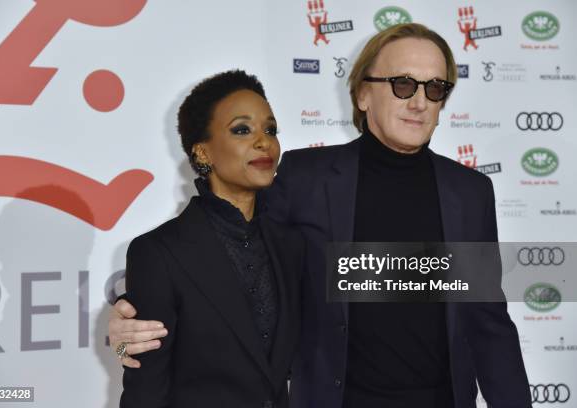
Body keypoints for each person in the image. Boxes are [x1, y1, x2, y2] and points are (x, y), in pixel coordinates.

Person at [110, 24, 531, 408]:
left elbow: (488, 323)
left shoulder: (470, 193)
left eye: (435, 88)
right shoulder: (304, 179)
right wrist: (133, 308)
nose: (420, 102)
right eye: (403, 84)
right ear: (363, 94)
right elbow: (234, 259)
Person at [117, 70, 304, 407]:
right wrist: (118, 339)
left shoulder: (291, 245)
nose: (264, 141)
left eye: (270, 129)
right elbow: (145, 388)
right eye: (242, 130)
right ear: (202, 152)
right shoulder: (159, 252)